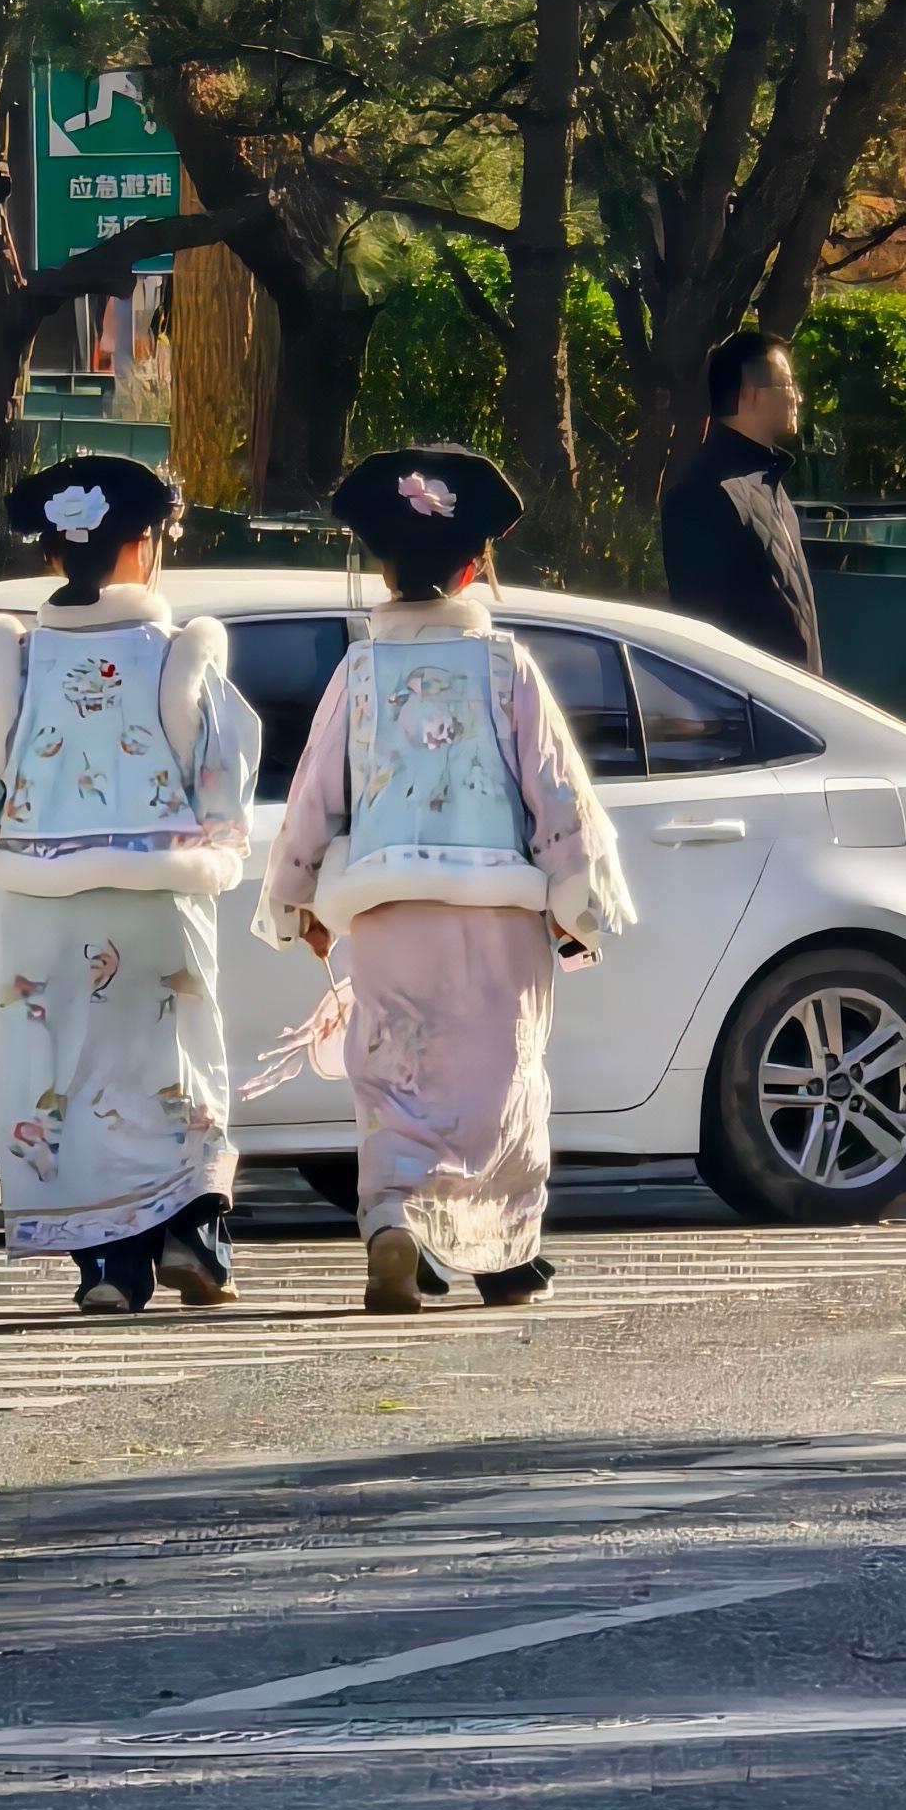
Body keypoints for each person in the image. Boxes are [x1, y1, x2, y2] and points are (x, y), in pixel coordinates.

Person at [256, 443, 633, 1316]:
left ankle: (393, 1221)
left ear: (383, 570)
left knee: (394, 1076)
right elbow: (555, 792)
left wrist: (295, 901)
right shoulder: (505, 669)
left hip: (389, 915)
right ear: (475, 568)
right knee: (502, 1081)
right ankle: (502, 1256)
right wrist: (579, 903)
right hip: (500, 913)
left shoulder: (359, 673)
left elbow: (315, 795)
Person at [0, 453, 263, 1316]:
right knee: (175, 1057)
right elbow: (223, 759)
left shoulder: (16, 662)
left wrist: (2, 846)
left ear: (55, 556)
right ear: (143, 547)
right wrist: (219, 842)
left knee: (66, 1068)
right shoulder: (179, 655)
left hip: (44, 906)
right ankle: (197, 1231)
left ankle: (106, 1266)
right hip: (161, 891)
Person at [659, 323, 820, 672]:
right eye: (789, 385)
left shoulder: (771, 486)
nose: (798, 397)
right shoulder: (704, 495)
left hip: (795, 711)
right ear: (752, 393)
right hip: (748, 716)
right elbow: (699, 635)